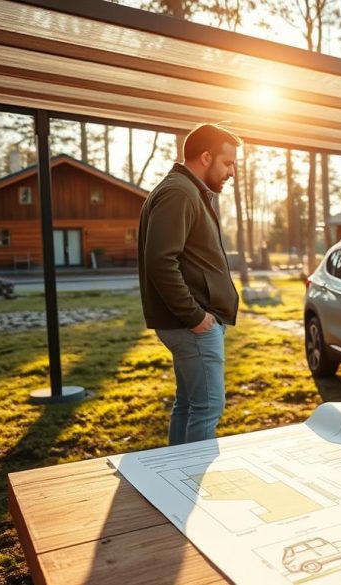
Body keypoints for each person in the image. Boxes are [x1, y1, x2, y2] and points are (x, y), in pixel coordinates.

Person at [138, 123, 242, 445]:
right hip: (191, 324)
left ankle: (176, 478)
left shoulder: (185, 191)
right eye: (227, 163)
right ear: (206, 157)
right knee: (208, 406)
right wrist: (196, 318)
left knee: (189, 404)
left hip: (189, 323)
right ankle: (191, 481)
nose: (232, 173)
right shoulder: (178, 193)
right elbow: (160, 261)